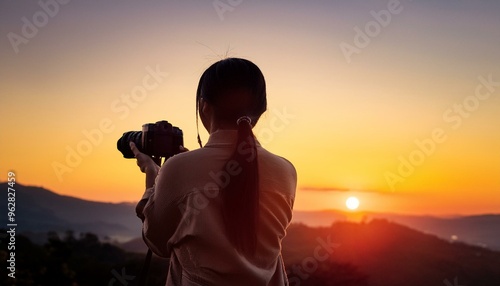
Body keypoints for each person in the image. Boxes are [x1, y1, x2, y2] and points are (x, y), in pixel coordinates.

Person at [131, 58, 297, 286]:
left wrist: (153, 175)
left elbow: (158, 242)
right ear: (261, 111)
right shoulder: (286, 171)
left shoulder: (178, 168)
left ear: (203, 106)